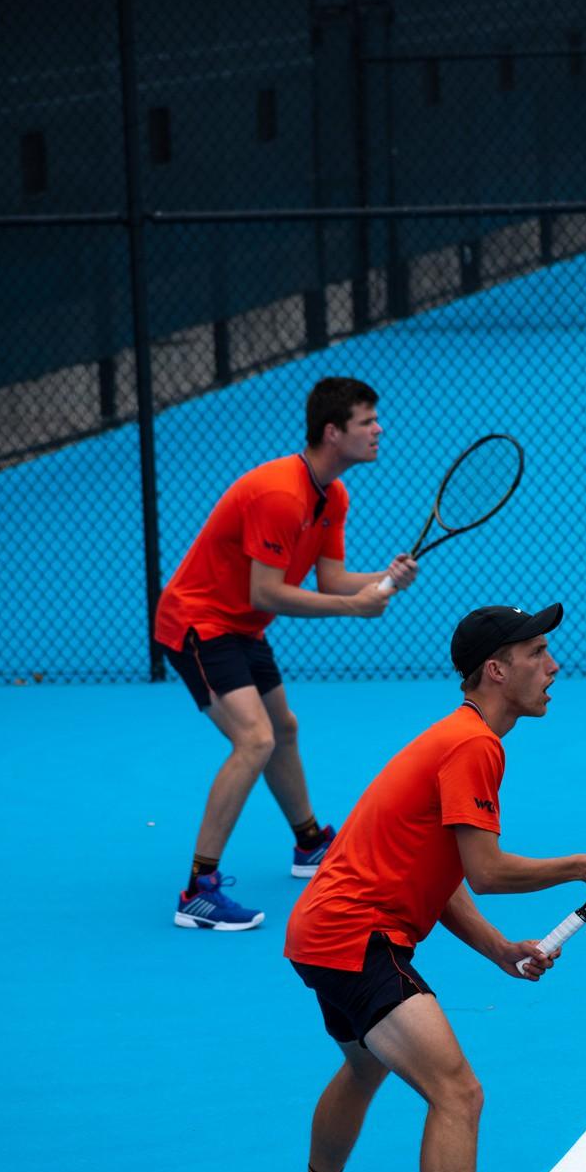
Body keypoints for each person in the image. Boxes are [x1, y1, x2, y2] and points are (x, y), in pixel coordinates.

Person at [279, 602, 586, 1172]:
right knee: (457, 1092)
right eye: (538, 653)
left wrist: (497, 948)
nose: (552, 667)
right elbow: (484, 869)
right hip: (358, 937)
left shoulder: (462, 740)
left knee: (364, 1068)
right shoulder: (474, 746)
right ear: (497, 669)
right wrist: (583, 862)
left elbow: (446, 869)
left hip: (323, 932)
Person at [154, 377, 417, 932]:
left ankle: (309, 844)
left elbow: (334, 578)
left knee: (284, 727)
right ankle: (198, 890)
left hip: (242, 626)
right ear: (332, 432)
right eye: (367, 421)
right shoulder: (280, 493)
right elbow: (266, 592)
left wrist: (385, 581)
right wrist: (355, 609)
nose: (379, 429)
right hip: (198, 622)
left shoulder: (334, 495)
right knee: (254, 739)